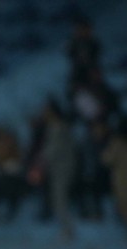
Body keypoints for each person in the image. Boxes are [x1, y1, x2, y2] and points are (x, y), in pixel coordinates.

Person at [41, 98, 77, 241]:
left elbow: (52, 149)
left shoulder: (57, 126)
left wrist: (41, 160)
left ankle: (68, 230)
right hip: (60, 166)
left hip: (62, 167)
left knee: (59, 199)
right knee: (58, 199)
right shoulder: (57, 127)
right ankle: (66, 229)